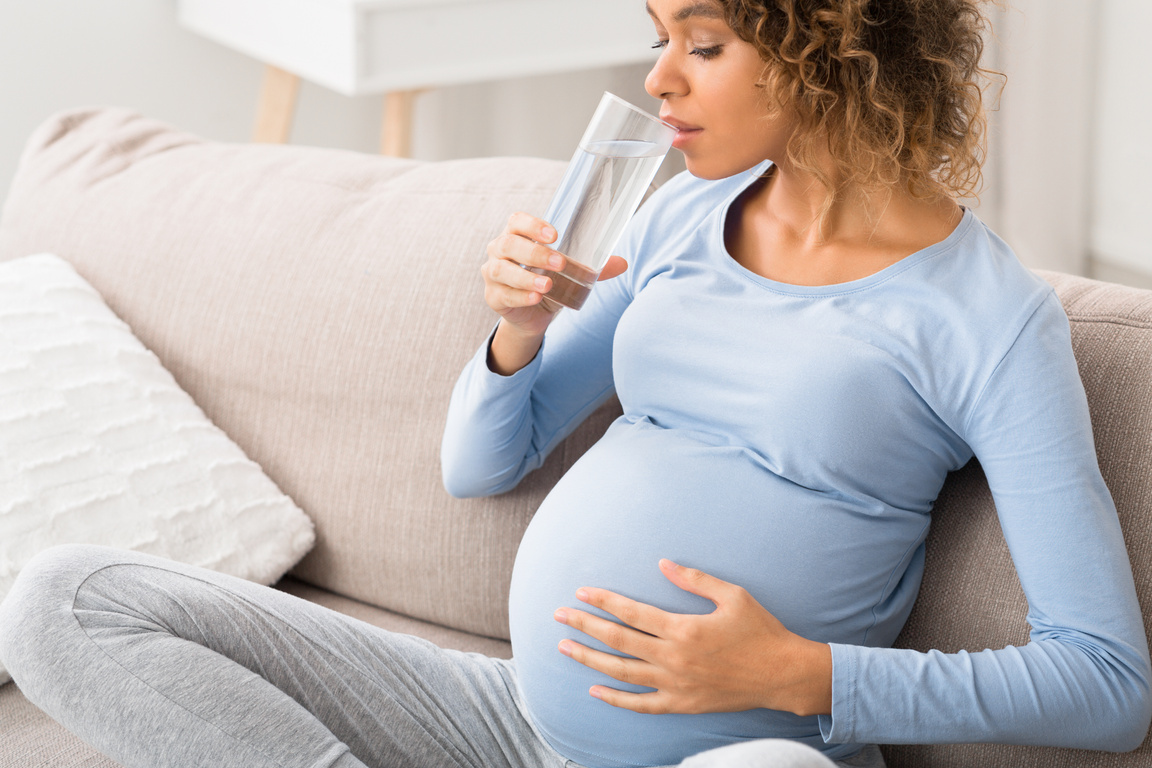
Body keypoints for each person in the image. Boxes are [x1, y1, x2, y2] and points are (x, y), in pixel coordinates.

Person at [0, 2, 1147, 768]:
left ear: (831, 49)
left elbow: (1105, 683)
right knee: (66, 597)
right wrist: (515, 332)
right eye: (659, 36)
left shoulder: (989, 319)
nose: (656, 79)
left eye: (700, 45)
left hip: (735, 752)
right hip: (509, 722)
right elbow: (480, 465)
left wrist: (809, 677)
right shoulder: (682, 218)